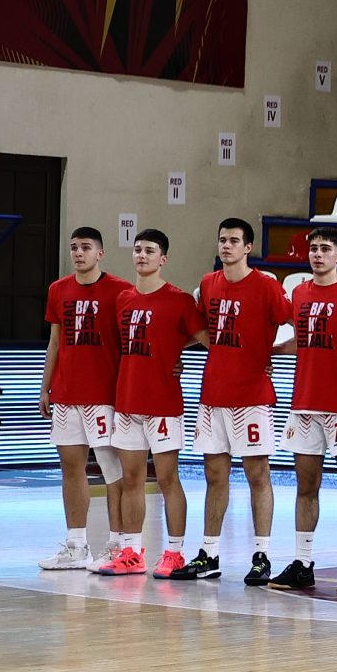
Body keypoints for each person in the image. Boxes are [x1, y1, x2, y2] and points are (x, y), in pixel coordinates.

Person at [103, 229, 210, 579]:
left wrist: (177, 353)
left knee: (167, 479)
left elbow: (208, 339)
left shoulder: (179, 301)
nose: (142, 255)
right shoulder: (123, 299)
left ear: (163, 259)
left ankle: (175, 553)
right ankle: (132, 552)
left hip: (164, 405)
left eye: (149, 250)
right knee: (131, 478)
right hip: (127, 402)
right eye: (137, 249)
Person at [190, 218, 291, 585]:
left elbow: (295, 322)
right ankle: (209, 553)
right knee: (214, 475)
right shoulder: (207, 283)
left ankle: (262, 555)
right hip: (213, 394)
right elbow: (201, 328)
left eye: (234, 240)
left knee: (257, 474)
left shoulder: (266, 286)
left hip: (252, 396)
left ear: (248, 247)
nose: (227, 246)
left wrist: (272, 351)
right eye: (223, 240)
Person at [275, 229, 337, 594]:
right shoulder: (300, 293)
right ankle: (303, 563)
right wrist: (272, 353)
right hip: (305, 402)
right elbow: (305, 339)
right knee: (306, 485)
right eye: (313, 248)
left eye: (325, 249)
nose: (317, 254)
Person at [39, 227, 130, 571]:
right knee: (71, 469)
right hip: (67, 394)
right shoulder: (58, 289)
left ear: (100, 253)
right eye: (74, 247)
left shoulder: (120, 290)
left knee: (112, 471)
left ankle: (118, 545)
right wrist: (45, 387)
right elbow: (55, 342)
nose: (78, 253)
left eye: (86, 247)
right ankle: (77, 547)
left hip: (104, 395)